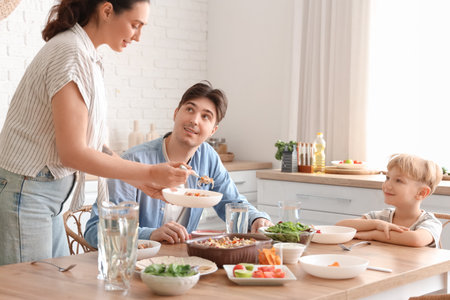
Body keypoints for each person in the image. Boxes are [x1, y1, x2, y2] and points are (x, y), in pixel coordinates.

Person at [0, 0, 191, 266]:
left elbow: (92, 144)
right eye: (135, 25)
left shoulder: (85, 54)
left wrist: (141, 182)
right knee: (31, 291)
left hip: (43, 196)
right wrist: (148, 172)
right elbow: (73, 153)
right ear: (107, 10)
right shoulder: (71, 53)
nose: (138, 36)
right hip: (29, 194)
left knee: (50, 288)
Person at [84, 82, 273, 246]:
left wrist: (257, 218)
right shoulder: (134, 160)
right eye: (190, 109)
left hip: (184, 266)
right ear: (176, 113)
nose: (194, 120)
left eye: (206, 116)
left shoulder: (208, 158)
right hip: (137, 266)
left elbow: (233, 204)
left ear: (213, 130)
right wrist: (149, 234)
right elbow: (95, 229)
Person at [336, 154, 443, 248]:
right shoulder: (381, 217)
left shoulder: (430, 222)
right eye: (387, 178)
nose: (387, 185)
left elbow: (416, 239)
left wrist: (374, 235)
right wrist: (377, 224)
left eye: (398, 181)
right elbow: (340, 227)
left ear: (421, 193)